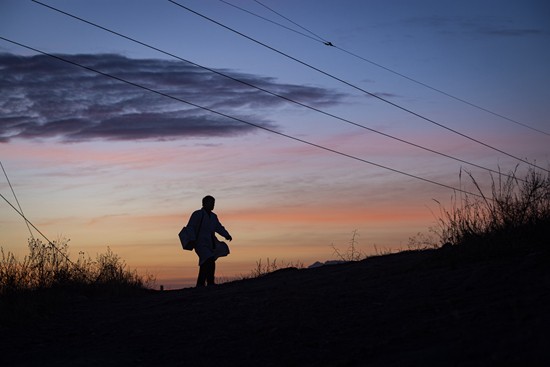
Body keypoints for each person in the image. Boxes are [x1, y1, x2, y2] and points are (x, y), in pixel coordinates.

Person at [186, 195, 232, 287]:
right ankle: (210, 282)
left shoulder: (213, 216)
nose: (213, 205)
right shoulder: (197, 214)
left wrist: (226, 234)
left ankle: (201, 284)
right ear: (204, 203)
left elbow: (218, 227)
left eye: (213, 203)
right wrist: (192, 240)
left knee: (206, 262)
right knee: (209, 260)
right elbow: (190, 227)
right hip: (199, 243)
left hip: (211, 243)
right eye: (211, 203)